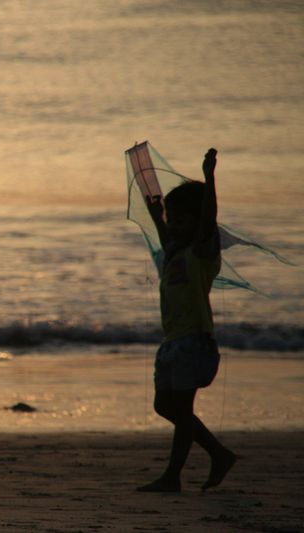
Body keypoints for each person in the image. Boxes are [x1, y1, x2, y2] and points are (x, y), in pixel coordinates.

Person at [137, 148, 237, 492]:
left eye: (182, 220)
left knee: (181, 408)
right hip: (172, 343)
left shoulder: (201, 253)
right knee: (164, 405)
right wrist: (156, 215)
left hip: (194, 341)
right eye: (172, 219)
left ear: (197, 224)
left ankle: (172, 477)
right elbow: (167, 235)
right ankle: (219, 454)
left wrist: (209, 178)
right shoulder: (175, 253)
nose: (173, 225)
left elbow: (208, 219)